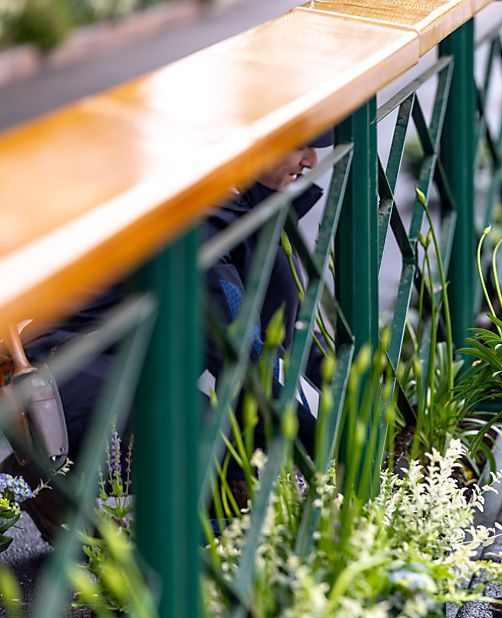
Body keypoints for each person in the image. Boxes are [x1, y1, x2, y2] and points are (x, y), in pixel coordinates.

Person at [2, 132, 333, 542]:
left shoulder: (243, 213)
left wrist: (351, 393)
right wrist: (331, 444)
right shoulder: (206, 218)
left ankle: (64, 496)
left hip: (123, 372)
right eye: (298, 144)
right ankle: (148, 567)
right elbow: (242, 355)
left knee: (231, 437)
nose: (311, 159)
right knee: (203, 434)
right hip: (73, 375)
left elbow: (287, 336)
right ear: (255, 144)